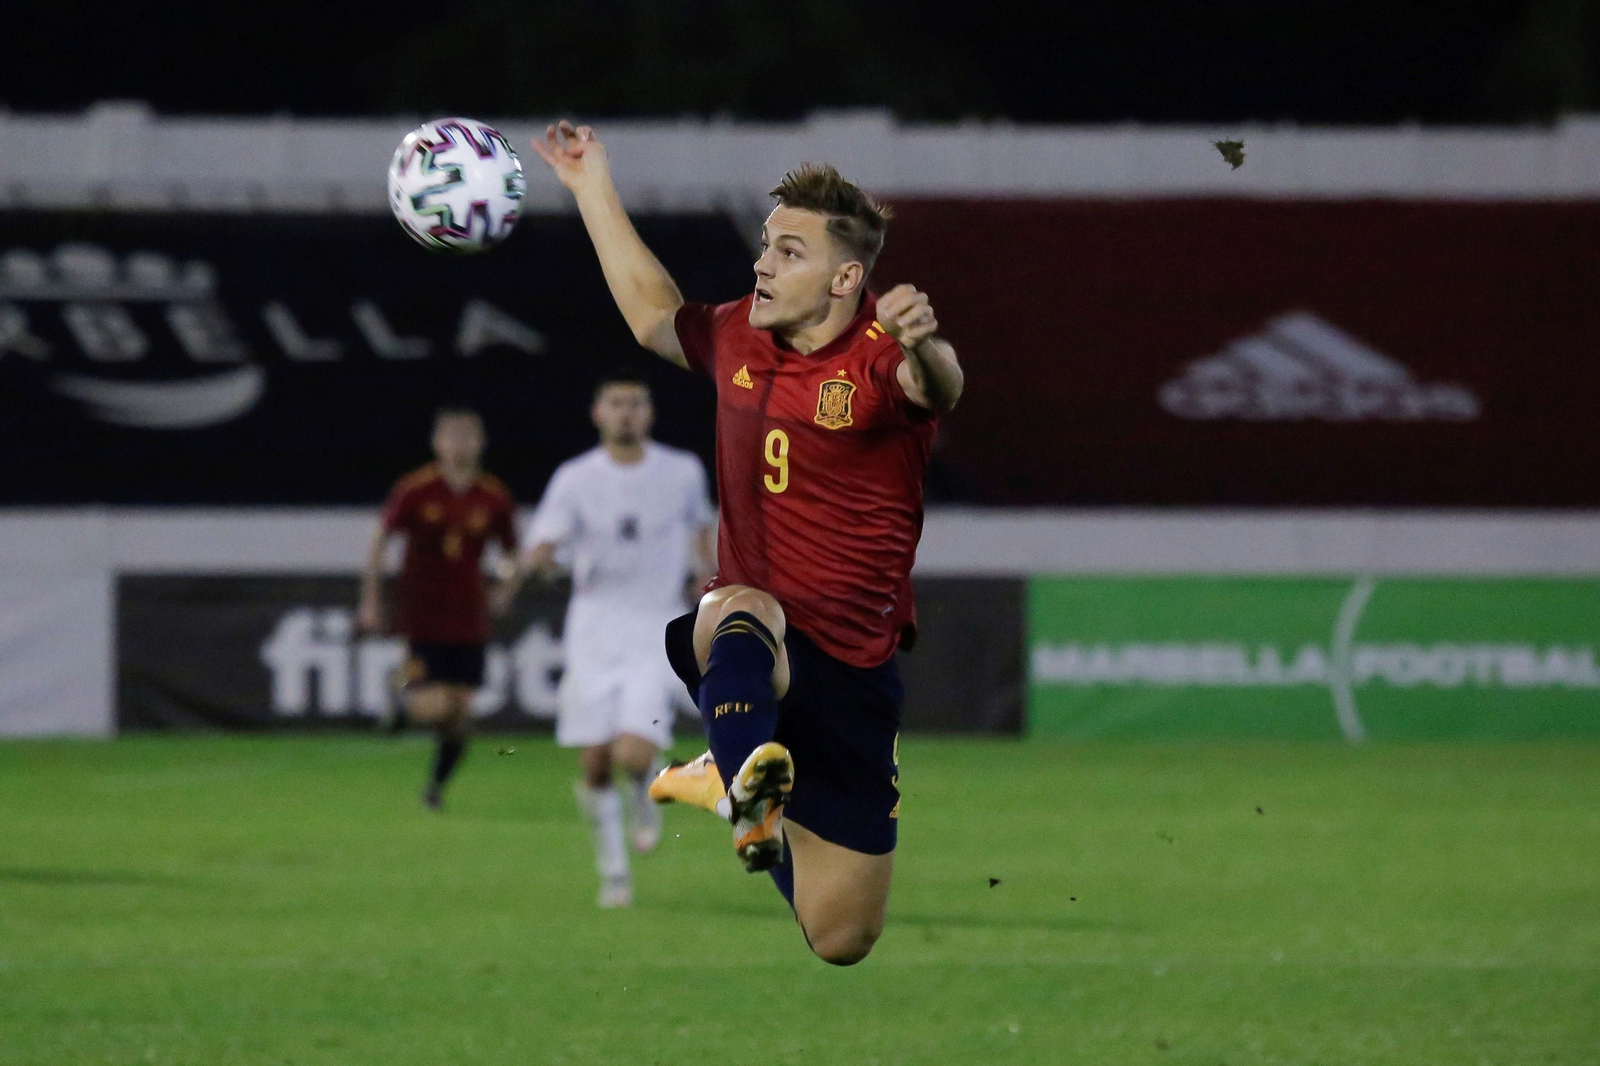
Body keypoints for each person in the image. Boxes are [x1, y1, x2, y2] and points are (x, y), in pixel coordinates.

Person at [532, 121, 964, 964]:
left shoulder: (880, 357)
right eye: (766, 245)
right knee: (741, 607)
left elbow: (937, 385)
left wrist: (923, 341)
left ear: (845, 278)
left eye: (789, 252)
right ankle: (741, 778)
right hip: (756, 637)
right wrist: (591, 187)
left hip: (855, 667)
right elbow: (654, 316)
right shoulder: (738, 334)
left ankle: (725, 777)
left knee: (840, 937)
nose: (763, 263)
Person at [496, 368, 716, 908]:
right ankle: (614, 874)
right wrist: (531, 566)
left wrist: (710, 580)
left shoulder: (681, 471)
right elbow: (544, 543)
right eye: (616, 403)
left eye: (635, 403)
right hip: (595, 628)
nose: (626, 413)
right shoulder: (576, 478)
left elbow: (701, 531)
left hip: (657, 624)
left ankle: (642, 793)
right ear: (598, 413)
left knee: (634, 751)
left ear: (649, 413)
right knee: (595, 761)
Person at [358, 408, 517, 810]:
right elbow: (380, 540)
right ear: (437, 443)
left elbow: (513, 553)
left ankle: (435, 787)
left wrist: (505, 589)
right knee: (437, 705)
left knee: (461, 717)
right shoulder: (416, 489)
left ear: (481, 443)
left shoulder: (493, 495)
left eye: (467, 436)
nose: (459, 445)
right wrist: (371, 599)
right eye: (451, 436)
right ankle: (400, 689)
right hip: (423, 617)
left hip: (470, 618)